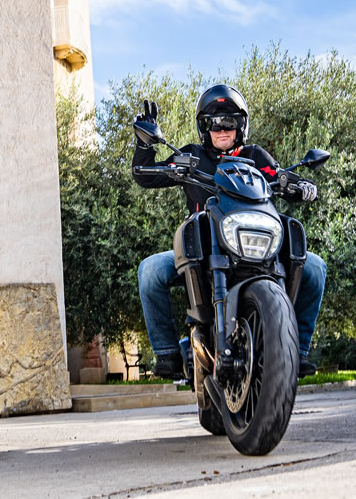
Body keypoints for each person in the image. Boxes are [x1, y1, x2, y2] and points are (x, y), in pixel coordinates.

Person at [132, 84, 326, 379]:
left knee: (314, 267)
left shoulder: (255, 156)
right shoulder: (191, 156)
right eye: (214, 124)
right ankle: (167, 353)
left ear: (241, 126)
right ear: (203, 128)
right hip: (202, 247)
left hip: (252, 243)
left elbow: (281, 176)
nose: (222, 130)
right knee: (150, 271)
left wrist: (302, 186)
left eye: (230, 123)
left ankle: (295, 351)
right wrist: (144, 145)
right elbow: (144, 176)